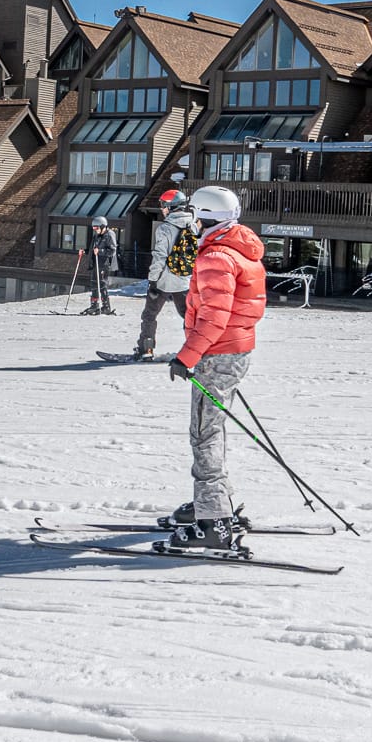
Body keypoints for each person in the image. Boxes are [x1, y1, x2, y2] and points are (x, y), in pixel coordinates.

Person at [163, 185, 267, 551]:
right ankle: (216, 504)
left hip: (216, 354)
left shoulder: (216, 257)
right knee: (213, 430)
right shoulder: (241, 248)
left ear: (202, 216)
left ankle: (213, 524)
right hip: (234, 352)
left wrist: (186, 356)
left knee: (204, 434)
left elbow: (213, 317)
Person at [134, 189, 198, 358]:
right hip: (184, 279)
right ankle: (195, 350)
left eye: (163, 205)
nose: (162, 209)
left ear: (171, 207)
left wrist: (153, 281)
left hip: (164, 280)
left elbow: (159, 256)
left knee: (150, 314)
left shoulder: (165, 228)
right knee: (189, 317)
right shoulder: (193, 225)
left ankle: (146, 349)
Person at [82, 216, 118, 315]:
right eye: (93, 228)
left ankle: (106, 306)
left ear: (103, 226)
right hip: (96, 263)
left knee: (102, 284)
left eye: (96, 228)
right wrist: (85, 251)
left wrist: (101, 251)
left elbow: (112, 250)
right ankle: (94, 305)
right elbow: (93, 249)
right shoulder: (97, 236)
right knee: (94, 284)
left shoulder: (110, 234)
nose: (95, 230)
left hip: (104, 263)